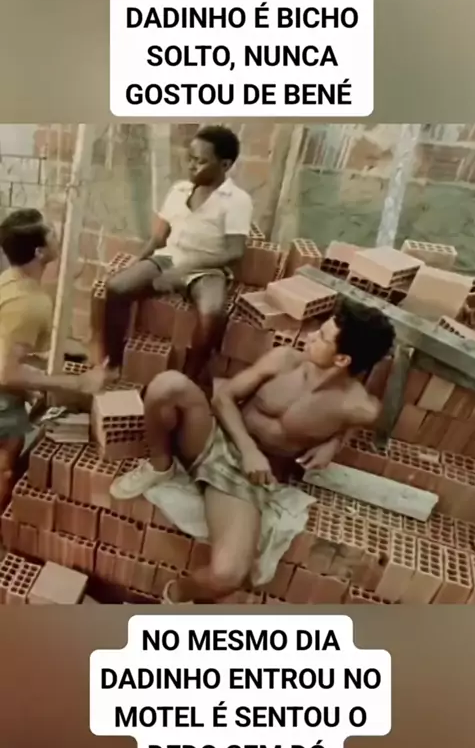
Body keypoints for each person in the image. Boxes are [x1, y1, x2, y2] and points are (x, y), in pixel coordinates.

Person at [110, 297, 395, 604]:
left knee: (228, 574)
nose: (311, 336)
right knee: (168, 384)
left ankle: (174, 598)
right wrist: (248, 450)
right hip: (214, 437)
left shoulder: (359, 407)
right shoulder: (285, 360)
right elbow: (223, 399)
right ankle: (160, 466)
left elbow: (358, 423)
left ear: (342, 360)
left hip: (244, 480)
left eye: (323, 337)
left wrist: (334, 444)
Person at [98, 125, 253, 379]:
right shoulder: (179, 190)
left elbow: (235, 252)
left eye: (201, 161)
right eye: (190, 159)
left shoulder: (237, 200)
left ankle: (188, 377)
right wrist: (137, 262)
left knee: (212, 312)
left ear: (225, 165)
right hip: (169, 257)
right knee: (117, 287)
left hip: (208, 268)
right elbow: (158, 238)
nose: (191, 166)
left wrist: (190, 265)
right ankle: (113, 363)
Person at [0, 209, 107, 507]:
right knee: (5, 467)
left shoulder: (10, 280)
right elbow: (6, 373)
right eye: (52, 234)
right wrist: (78, 384)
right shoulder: (30, 304)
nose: (58, 236)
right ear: (39, 252)